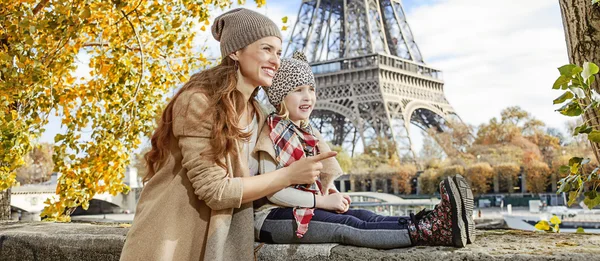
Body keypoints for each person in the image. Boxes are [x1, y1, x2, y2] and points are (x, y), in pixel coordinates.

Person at [120, 9, 337, 261]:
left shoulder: (258, 113)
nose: (276, 60)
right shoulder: (199, 102)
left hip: (220, 242)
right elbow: (216, 191)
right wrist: (288, 175)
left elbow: (260, 182)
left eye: (278, 52)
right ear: (235, 52)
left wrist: (316, 189)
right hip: (169, 243)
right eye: (266, 49)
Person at [253, 51, 476, 249]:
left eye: (311, 89)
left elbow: (309, 185)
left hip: (298, 209)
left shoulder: (305, 132)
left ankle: (430, 221)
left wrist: (329, 194)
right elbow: (273, 191)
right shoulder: (272, 133)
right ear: (280, 96)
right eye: (298, 90)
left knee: (363, 215)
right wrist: (321, 202)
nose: (308, 96)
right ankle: (429, 232)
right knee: (349, 226)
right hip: (271, 219)